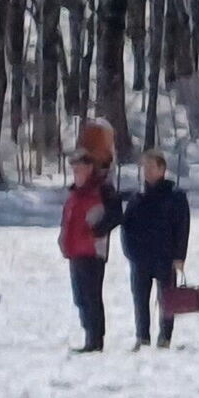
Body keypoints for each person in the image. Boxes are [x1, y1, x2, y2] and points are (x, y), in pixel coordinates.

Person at [120, 149, 191, 349]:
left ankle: (165, 337)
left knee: (167, 299)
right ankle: (142, 337)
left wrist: (179, 256)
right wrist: (130, 253)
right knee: (140, 300)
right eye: (145, 167)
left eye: (151, 167)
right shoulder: (137, 198)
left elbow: (182, 227)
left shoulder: (175, 196)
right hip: (140, 259)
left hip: (165, 257)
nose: (147, 171)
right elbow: (126, 227)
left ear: (162, 169)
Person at [60, 143, 124, 353]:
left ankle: (95, 339)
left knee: (91, 295)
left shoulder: (102, 189)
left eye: (78, 168)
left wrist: (99, 230)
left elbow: (116, 214)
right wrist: (63, 239)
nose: (75, 172)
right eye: (73, 168)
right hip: (75, 251)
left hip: (93, 251)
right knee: (80, 296)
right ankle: (89, 334)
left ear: (89, 168)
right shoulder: (74, 193)